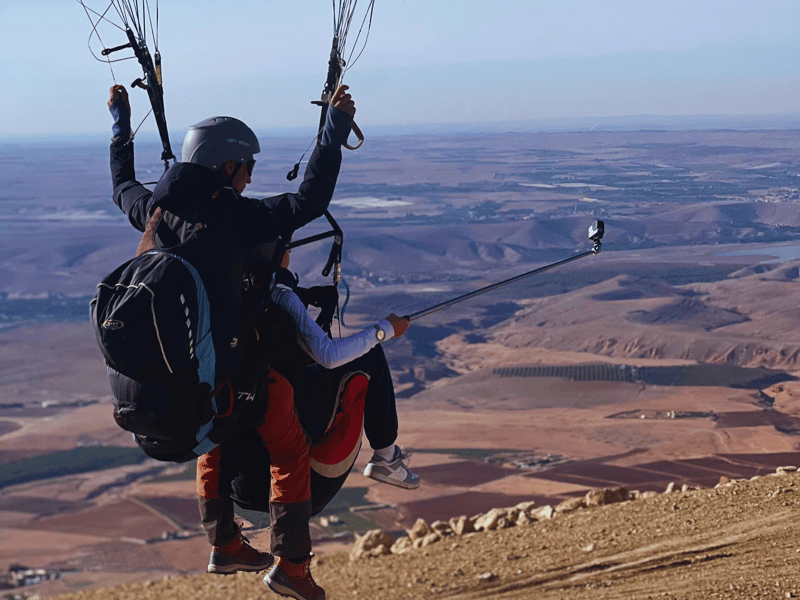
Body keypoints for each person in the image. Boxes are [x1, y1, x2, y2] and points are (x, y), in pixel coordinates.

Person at [107, 84, 357, 599]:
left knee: (213, 432)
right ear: (225, 166)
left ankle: (223, 543)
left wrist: (120, 125)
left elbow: (122, 186)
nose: (250, 178)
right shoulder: (230, 215)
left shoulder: (154, 210)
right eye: (247, 167)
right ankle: (292, 567)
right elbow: (309, 202)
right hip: (228, 371)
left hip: (179, 380)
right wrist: (332, 131)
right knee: (289, 445)